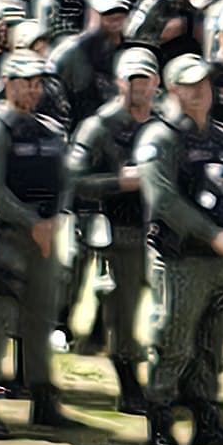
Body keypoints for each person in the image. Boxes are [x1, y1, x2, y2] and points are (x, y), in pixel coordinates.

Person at [133, 51, 223, 445]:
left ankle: (207, 419)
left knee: (211, 340)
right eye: (190, 85)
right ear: (172, 89)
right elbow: (164, 200)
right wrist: (212, 235)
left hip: (221, 259)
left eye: (204, 83)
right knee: (174, 338)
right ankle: (161, 422)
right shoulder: (160, 138)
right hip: (181, 258)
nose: (201, 91)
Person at [0, 51, 74, 437]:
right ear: (8, 83)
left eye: (39, 83)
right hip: (6, 238)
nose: (34, 89)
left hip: (43, 238)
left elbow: (65, 181)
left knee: (40, 319)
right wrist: (32, 222)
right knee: (0, 320)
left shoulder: (49, 130)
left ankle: (44, 400)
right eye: (27, 82)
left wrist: (56, 219)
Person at [66, 47, 160, 409]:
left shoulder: (163, 123)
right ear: (120, 82)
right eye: (133, 79)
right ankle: (129, 384)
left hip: (157, 231)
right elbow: (75, 181)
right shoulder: (99, 127)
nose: (140, 87)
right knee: (123, 307)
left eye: (146, 79)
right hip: (116, 229)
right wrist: (119, 182)